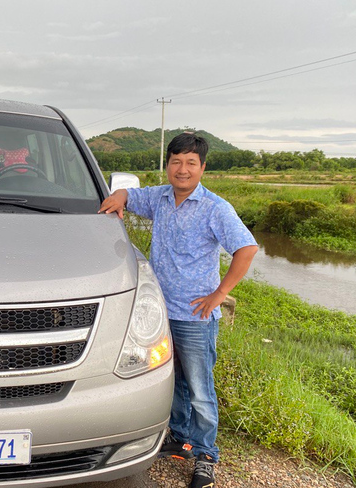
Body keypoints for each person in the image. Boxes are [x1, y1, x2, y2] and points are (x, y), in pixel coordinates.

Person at [98, 133, 258, 488]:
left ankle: (205, 454)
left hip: (196, 318)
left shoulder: (216, 208)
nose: (182, 169)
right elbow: (127, 194)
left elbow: (246, 249)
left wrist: (219, 294)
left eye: (190, 162)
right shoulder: (159, 197)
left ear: (202, 167)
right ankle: (181, 438)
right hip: (159, 313)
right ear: (167, 165)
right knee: (175, 381)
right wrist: (118, 200)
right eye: (176, 161)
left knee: (200, 388)